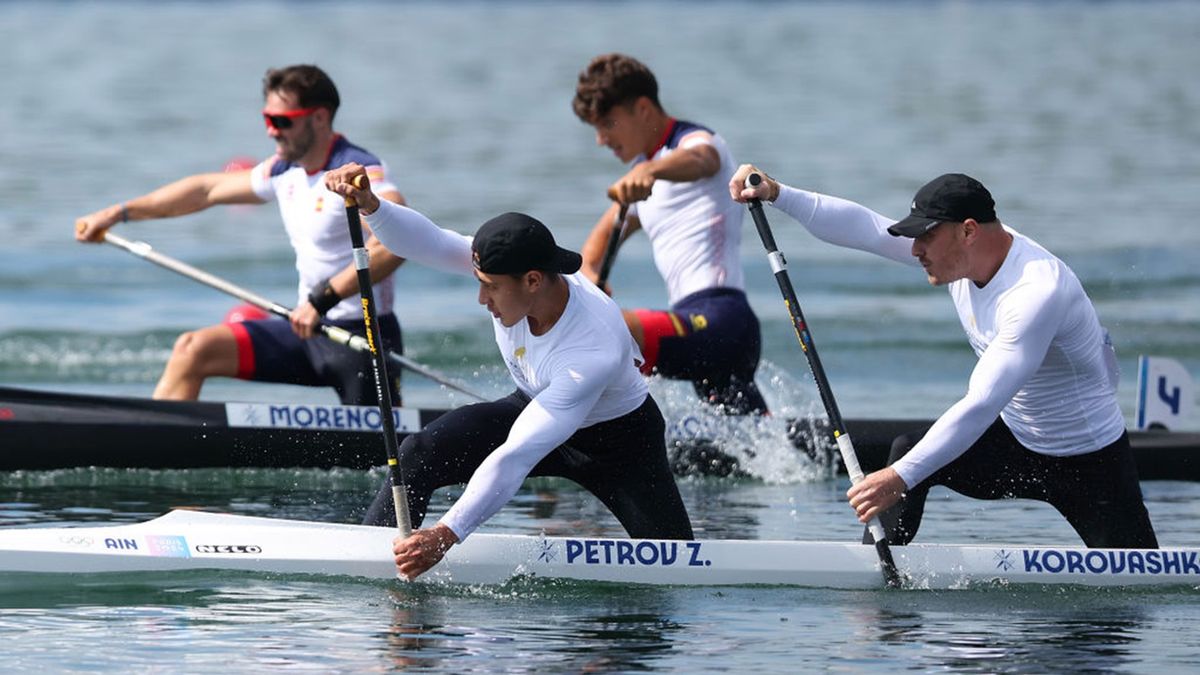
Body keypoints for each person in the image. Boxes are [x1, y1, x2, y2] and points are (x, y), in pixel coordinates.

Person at [731, 167, 1158, 549]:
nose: (915, 250)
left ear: (968, 231)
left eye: (926, 236)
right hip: (1016, 446)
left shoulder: (1035, 292)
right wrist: (778, 193)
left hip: (1090, 461)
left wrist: (898, 478)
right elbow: (866, 229)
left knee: (1126, 607)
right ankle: (877, 588)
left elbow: (981, 403)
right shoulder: (955, 255)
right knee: (909, 449)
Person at [323, 163, 695, 580]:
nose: (482, 297)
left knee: (676, 565)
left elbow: (515, 456)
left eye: (490, 286)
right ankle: (372, 560)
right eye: (479, 280)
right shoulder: (509, 269)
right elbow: (426, 241)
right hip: (534, 404)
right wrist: (372, 206)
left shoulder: (592, 349)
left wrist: (446, 534)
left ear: (533, 281)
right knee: (418, 453)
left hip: (619, 443)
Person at [74, 64, 407, 405]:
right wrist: (118, 213)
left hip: (363, 340)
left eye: (282, 121)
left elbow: (394, 244)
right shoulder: (284, 169)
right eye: (267, 119)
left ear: (319, 118)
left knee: (390, 457)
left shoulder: (356, 171)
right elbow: (204, 190)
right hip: (307, 329)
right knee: (194, 349)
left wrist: (321, 300)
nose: (271, 132)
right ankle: (153, 441)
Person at [572, 53, 767, 415]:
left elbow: (702, 160)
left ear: (643, 109)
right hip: (694, 331)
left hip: (723, 321)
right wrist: (589, 281)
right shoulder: (641, 175)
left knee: (610, 330)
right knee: (759, 443)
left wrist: (653, 171)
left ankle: (562, 415)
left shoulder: (695, 143)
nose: (601, 139)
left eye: (608, 124)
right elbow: (596, 249)